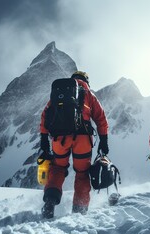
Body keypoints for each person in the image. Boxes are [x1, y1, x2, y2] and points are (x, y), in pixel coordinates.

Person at [40, 71, 109, 218]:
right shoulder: (88, 94)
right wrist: (103, 141)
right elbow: (101, 118)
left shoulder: (59, 92)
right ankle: (79, 211)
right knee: (82, 174)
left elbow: (45, 116)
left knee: (57, 169)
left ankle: (50, 202)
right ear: (86, 81)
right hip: (83, 138)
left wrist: (44, 139)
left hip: (60, 138)